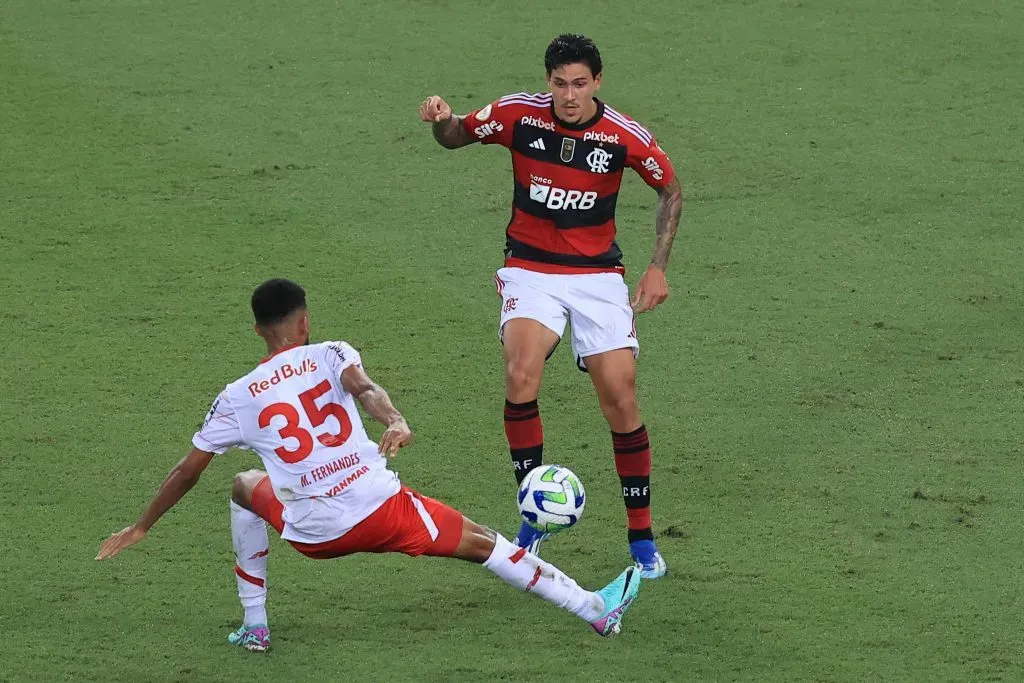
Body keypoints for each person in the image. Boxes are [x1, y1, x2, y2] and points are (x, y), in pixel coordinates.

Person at [96, 279, 642, 651]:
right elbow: (367, 390)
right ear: (304, 321)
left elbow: (187, 471)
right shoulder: (331, 352)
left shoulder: (236, 397)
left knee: (243, 486)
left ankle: (255, 625)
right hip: (384, 512)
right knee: (488, 543)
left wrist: (142, 525)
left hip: (309, 534)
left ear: (259, 329)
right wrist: (394, 420)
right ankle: (594, 608)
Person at [419, 34, 683, 577]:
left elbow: (671, 190)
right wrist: (441, 119)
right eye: (560, 83)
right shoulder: (519, 116)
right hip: (531, 269)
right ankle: (532, 522)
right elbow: (457, 135)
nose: (569, 95)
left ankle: (642, 541)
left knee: (621, 398)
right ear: (548, 82)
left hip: (598, 278)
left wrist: (657, 265)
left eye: (579, 84)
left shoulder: (623, 136)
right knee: (522, 373)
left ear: (598, 82)